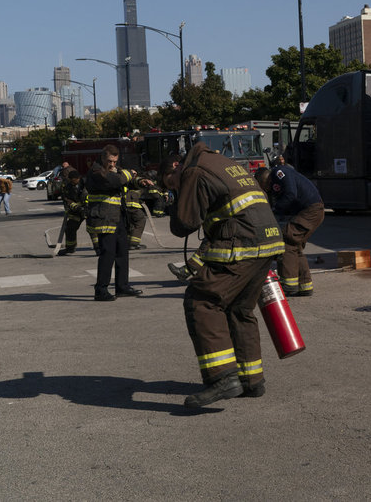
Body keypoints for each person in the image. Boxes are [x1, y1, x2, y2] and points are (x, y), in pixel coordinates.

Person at [162, 142, 284, 408]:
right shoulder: (223, 162)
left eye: (170, 183)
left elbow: (184, 224)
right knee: (240, 309)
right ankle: (251, 380)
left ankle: (222, 377)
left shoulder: (194, 170)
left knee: (202, 301)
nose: (172, 187)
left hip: (243, 240)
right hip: (269, 239)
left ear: (175, 167)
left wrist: (172, 203)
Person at [85, 145, 151, 302]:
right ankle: (101, 290)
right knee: (108, 254)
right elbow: (116, 180)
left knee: (122, 252)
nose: (112, 164)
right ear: (102, 158)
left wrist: (141, 181)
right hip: (104, 218)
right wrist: (128, 174)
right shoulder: (96, 171)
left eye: (115, 161)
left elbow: (127, 179)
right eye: (109, 161)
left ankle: (122, 287)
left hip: (118, 216)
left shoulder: (114, 169)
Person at [254, 164, 324, 298]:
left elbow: (291, 194)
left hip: (311, 211)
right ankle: (305, 285)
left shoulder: (279, 173)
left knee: (286, 241)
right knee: (295, 246)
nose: (266, 190)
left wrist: (275, 210)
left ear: (264, 181)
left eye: (264, 187)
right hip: (312, 211)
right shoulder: (276, 180)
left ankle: (289, 285)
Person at [57, 170, 88, 255]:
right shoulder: (68, 186)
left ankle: (98, 248)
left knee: (93, 230)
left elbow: (88, 198)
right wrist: (72, 206)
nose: (72, 182)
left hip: (88, 210)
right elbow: (66, 198)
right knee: (70, 228)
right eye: (70, 180)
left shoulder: (86, 185)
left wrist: (82, 208)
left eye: (73, 180)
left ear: (78, 178)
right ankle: (70, 248)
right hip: (76, 212)